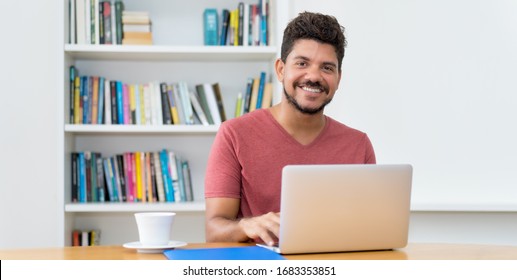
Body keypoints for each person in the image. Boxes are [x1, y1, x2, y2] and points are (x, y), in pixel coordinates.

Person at [204, 12, 376, 246]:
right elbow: (214, 230)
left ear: (338, 78)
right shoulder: (233, 134)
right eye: (302, 63)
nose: (314, 76)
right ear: (281, 69)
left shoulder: (359, 145)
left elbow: (369, 227)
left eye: (327, 68)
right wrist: (246, 225)